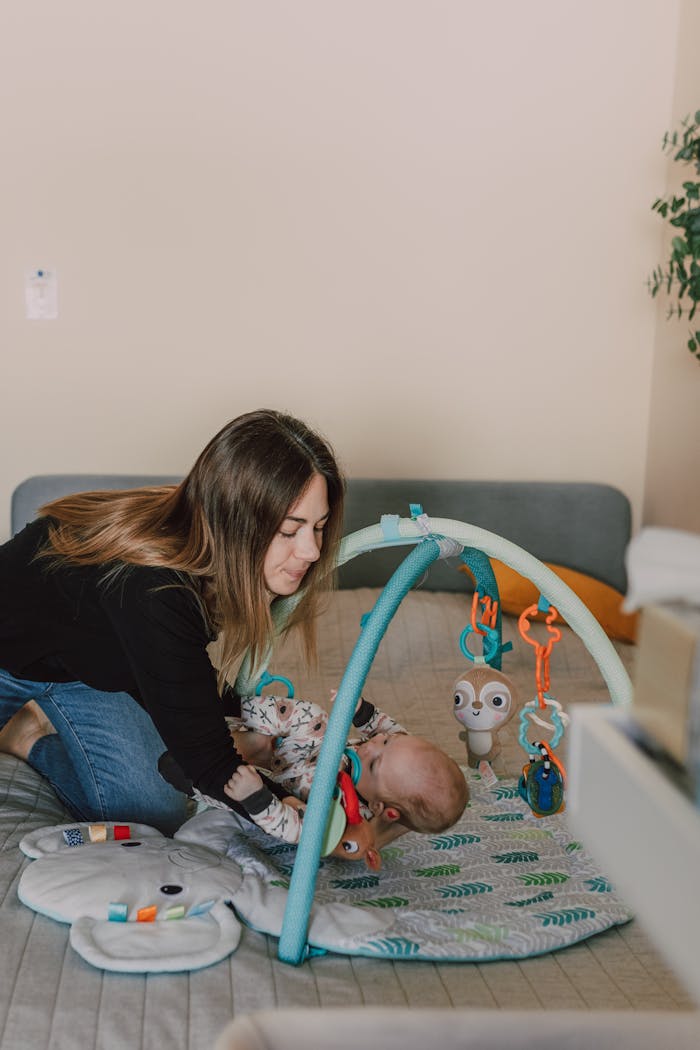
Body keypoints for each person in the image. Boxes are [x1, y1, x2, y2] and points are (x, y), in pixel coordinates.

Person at [0, 409, 345, 835]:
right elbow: (208, 761)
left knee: (152, 811)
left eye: (319, 527)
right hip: (9, 652)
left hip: (81, 670)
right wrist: (287, 811)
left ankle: (25, 736)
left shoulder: (204, 550)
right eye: (290, 531)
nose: (311, 552)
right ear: (235, 521)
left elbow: (182, 679)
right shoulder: (154, 589)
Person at [160, 691, 469, 860]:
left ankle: (196, 776)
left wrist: (257, 800)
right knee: (316, 716)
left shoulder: (349, 818)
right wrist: (362, 712)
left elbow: (297, 831)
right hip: (305, 751)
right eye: (384, 744)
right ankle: (227, 704)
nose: (371, 746)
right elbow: (388, 730)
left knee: (263, 797)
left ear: (382, 809)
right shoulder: (400, 756)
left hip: (281, 788)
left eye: (374, 764)